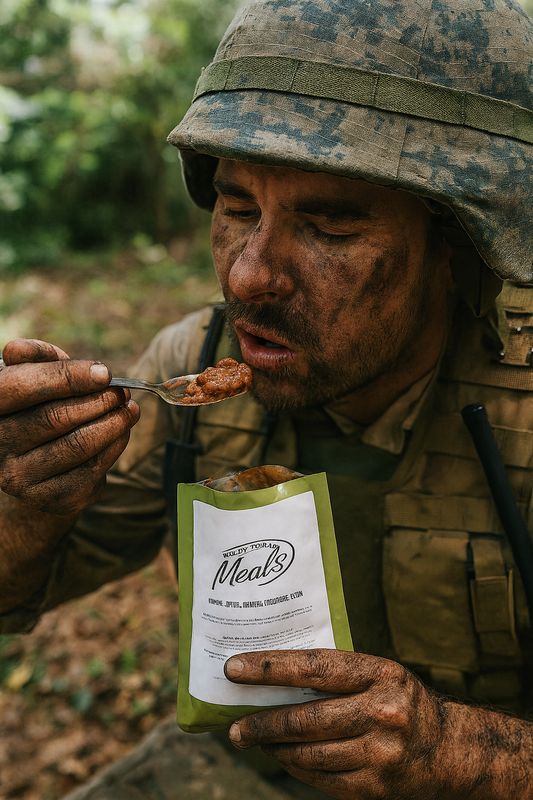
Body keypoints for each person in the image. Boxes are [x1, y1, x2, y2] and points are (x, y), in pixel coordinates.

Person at [1, 0, 532, 797]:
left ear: (456, 242)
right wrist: (19, 512)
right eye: (236, 206)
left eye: (329, 225)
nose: (248, 275)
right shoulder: (192, 367)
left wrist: (456, 751)